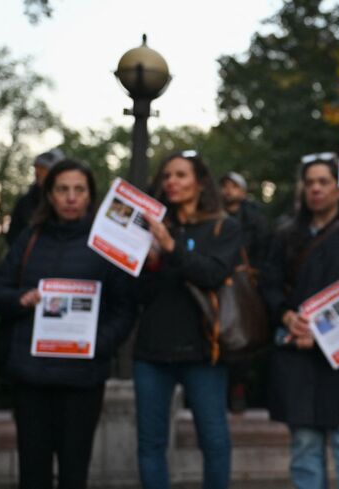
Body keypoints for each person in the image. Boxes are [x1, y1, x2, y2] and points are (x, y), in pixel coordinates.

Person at [0, 159, 135, 489]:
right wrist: (20, 298)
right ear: (49, 195)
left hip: (81, 380)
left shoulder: (108, 245)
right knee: (33, 473)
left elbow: (125, 308)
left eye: (78, 190)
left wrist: (99, 344)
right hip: (31, 376)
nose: (70, 197)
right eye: (62, 189)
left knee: (73, 474)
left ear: (89, 196)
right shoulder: (31, 238)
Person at [260, 155, 339, 489]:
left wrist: (322, 332)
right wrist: (286, 315)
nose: (315, 189)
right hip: (296, 354)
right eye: (309, 182)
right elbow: (268, 283)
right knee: (304, 450)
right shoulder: (284, 233)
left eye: (323, 182)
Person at [133, 151, 242, 489]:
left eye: (180, 175)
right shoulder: (151, 227)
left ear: (200, 182)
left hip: (203, 352)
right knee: (150, 445)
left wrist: (171, 247)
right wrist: (149, 263)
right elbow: (138, 294)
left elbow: (211, 274)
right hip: (152, 352)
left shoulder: (223, 226)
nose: (171, 182)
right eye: (166, 176)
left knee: (214, 441)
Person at [219, 170, 271, 413]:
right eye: (224, 186)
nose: (228, 191)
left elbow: (265, 250)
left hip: (245, 285)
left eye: (233, 186)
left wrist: (253, 272)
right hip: (217, 283)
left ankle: (240, 388)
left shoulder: (255, 218)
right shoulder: (214, 214)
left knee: (243, 331)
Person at [6, 148, 66, 246]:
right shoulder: (25, 202)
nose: (38, 173)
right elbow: (13, 237)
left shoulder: (72, 201)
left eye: (44, 168)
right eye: (37, 168)